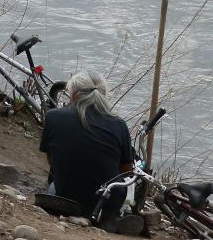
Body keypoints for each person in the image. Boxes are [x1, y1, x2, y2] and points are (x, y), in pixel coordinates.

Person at [40, 71, 142, 233]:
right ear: (104, 95)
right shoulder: (119, 124)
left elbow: (52, 161)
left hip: (66, 198)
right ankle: (110, 218)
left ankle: (76, 212)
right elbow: (126, 171)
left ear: (73, 92)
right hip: (107, 201)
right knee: (123, 192)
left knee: (51, 187)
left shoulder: (53, 117)